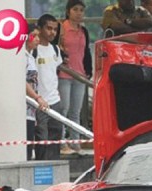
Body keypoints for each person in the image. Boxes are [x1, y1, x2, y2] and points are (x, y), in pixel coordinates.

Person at [57, 0, 92, 154]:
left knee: (76, 111)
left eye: (81, 10)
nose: (79, 13)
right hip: (64, 73)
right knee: (63, 108)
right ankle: (61, 142)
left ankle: (75, 142)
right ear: (68, 11)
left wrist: (88, 69)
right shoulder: (61, 28)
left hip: (80, 74)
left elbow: (86, 52)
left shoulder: (83, 31)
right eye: (75, 9)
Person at [34, 14, 64, 161]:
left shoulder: (55, 49)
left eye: (55, 29)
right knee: (42, 138)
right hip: (39, 102)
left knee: (56, 136)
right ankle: (42, 167)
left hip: (55, 100)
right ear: (40, 29)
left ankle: (54, 166)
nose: (52, 32)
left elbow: (54, 71)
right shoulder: (34, 50)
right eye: (49, 28)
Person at [25, 28, 48, 161]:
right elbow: (22, 81)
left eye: (38, 36)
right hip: (24, 109)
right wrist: (37, 97)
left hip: (31, 110)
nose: (38, 39)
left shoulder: (31, 56)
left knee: (30, 144)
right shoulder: (22, 57)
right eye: (34, 36)